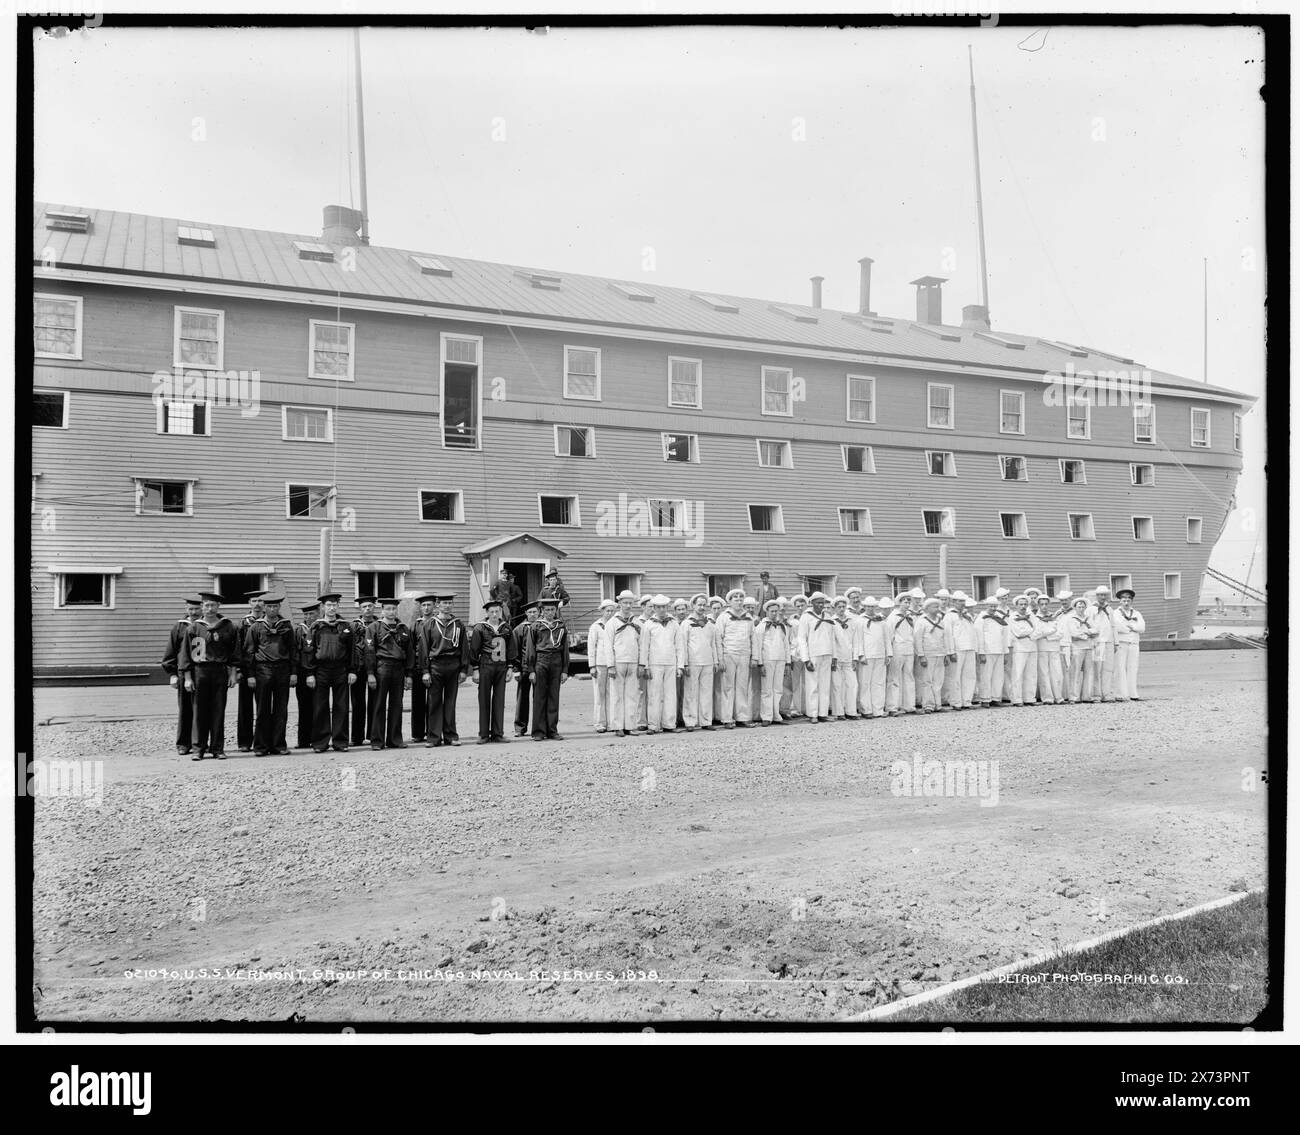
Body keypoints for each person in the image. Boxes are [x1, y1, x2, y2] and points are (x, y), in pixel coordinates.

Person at [178, 591, 241, 760]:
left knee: (218, 711)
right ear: (202, 607)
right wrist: (188, 678)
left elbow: (234, 652)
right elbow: (185, 654)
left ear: (218, 606)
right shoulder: (194, 628)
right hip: (200, 671)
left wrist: (233, 674)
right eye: (207, 605)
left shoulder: (228, 626)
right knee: (199, 711)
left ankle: (217, 749)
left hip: (220, 671)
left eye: (213, 605)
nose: (210, 609)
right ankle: (198, 749)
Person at [303, 593, 358, 752]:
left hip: (341, 669)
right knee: (320, 707)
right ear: (323, 607)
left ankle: (340, 742)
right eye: (328, 605)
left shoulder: (346, 626)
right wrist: (310, 673)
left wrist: (352, 671)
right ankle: (320, 743)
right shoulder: (316, 626)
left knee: (341, 706)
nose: (332, 608)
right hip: (321, 670)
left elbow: (352, 651)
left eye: (334, 605)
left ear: (338, 606)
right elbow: (309, 650)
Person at [244, 591, 296, 755]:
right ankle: (261, 746)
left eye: (275, 606)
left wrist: (293, 673)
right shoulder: (256, 627)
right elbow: (249, 652)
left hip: (282, 670)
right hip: (263, 670)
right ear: (264, 608)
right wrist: (250, 675)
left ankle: (279, 745)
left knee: (281, 709)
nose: (272, 609)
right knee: (262, 710)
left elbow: (293, 651)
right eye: (269, 606)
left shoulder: (286, 626)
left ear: (279, 607)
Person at [418, 594, 469, 747]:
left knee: (450, 702)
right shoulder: (430, 624)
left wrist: (463, 669)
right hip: (436, 666)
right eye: (444, 603)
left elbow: (464, 647)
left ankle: (450, 736)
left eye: (449, 603)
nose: (447, 606)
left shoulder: (458, 624)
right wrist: (425, 671)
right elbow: (424, 648)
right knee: (434, 702)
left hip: (453, 666)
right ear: (438, 605)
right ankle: (433, 737)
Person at [366, 597, 414, 750]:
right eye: (388, 609)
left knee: (396, 705)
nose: (391, 612)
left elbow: (410, 653)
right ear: (382, 611)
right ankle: (377, 741)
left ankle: (395, 739)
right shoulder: (374, 627)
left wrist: (409, 675)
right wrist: (370, 673)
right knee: (378, 704)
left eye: (393, 609)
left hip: (398, 669)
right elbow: (369, 651)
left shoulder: (403, 628)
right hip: (382, 668)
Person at [470, 598, 518, 742]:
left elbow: (511, 649)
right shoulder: (480, 628)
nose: (495, 614)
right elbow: (474, 650)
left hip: (501, 666)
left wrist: (510, 667)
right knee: (484, 699)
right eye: (492, 612)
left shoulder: (506, 628)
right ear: (487, 613)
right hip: (486, 665)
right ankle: (484, 734)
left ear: (500, 612)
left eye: (497, 611)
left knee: (499, 700)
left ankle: (498, 733)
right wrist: (475, 669)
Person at [161, 595, 202, 755]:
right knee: (185, 709)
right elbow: (171, 652)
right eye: (191, 609)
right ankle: (184, 744)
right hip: (184, 672)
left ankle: (200, 743)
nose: (194, 612)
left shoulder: (206, 625)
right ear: (186, 609)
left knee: (202, 708)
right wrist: (172, 674)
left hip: (203, 671)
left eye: (197, 609)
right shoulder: (179, 627)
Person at [527, 597, 570, 740]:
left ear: (556, 610)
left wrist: (565, 670)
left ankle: (552, 730)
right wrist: (531, 670)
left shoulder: (561, 626)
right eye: (547, 610)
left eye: (552, 609)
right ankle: (538, 731)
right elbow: (530, 648)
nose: (550, 612)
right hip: (541, 661)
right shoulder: (536, 626)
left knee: (553, 697)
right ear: (542, 611)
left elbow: (565, 649)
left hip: (556, 661)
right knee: (539, 697)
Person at [639, 595, 680, 733]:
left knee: (670, 695)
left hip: (670, 663)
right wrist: (645, 666)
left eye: (664, 607)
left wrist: (680, 665)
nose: (662, 609)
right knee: (654, 695)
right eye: (659, 607)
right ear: (654, 608)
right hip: (654, 664)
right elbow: (644, 646)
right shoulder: (648, 624)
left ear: (667, 607)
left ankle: (669, 724)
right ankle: (653, 725)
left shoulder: (674, 623)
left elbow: (679, 645)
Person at [715, 589, 756, 727]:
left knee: (742, 687)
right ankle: (727, 718)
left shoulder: (748, 617)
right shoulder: (724, 617)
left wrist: (754, 657)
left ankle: (742, 717)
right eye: (735, 599)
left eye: (740, 599)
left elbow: (753, 638)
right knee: (728, 687)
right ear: (730, 601)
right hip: (729, 654)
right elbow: (718, 639)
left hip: (744, 654)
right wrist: (720, 659)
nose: (738, 602)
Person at [678, 595, 720, 731]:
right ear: (693, 606)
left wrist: (715, 661)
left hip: (707, 662)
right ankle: (690, 721)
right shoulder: (686, 623)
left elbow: (713, 644)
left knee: (706, 692)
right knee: (690, 693)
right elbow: (682, 645)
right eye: (699, 605)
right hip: (693, 662)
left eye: (704, 605)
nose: (702, 607)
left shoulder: (710, 625)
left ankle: (706, 720)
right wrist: (684, 664)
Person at [604, 591, 642, 738]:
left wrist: (641, 664)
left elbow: (642, 644)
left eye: (630, 603)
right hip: (618, 662)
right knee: (617, 695)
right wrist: (610, 665)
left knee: (632, 695)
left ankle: (630, 726)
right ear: (619, 603)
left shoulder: (637, 622)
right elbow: (608, 646)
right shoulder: (612, 623)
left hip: (633, 662)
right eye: (625, 603)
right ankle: (618, 726)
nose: (627, 606)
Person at [797, 592, 838, 723]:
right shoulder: (806, 617)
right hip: (813, 655)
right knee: (812, 685)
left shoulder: (828, 617)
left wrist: (834, 657)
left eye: (822, 603)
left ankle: (823, 713)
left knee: (825, 686)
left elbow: (832, 638)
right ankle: (813, 714)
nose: (821, 605)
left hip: (827, 653)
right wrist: (806, 659)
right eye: (818, 603)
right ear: (812, 603)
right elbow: (801, 639)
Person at [751, 598, 790, 725]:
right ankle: (766, 716)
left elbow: (786, 645)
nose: (774, 613)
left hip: (780, 659)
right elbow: (758, 645)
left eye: (776, 611)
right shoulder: (761, 627)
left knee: (778, 688)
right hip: (767, 659)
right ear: (767, 612)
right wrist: (760, 663)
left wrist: (788, 662)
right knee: (767, 689)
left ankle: (776, 715)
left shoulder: (782, 626)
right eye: (772, 611)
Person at [236, 591, 266, 750]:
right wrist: (239, 670)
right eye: (254, 600)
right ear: (249, 603)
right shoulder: (243, 623)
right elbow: (238, 648)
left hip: (264, 670)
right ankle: (244, 742)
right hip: (247, 670)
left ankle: (262, 741)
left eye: (260, 600)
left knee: (263, 707)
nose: (257, 604)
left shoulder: (270, 621)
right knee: (245, 707)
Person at [915, 596, 954, 713]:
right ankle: (928, 705)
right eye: (934, 607)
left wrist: (946, 654)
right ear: (927, 608)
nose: (937, 609)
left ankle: (938, 704)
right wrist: (921, 655)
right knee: (927, 680)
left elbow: (945, 638)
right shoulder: (921, 621)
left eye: (938, 607)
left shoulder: (941, 621)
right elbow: (917, 639)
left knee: (938, 680)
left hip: (940, 654)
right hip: (928, 654)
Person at [349, 596, 379, 744]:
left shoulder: (379, 624)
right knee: (357, 703)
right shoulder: (353, 625)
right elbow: (350, 648)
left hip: (376, 667)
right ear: (360, 609)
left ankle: (374, 735)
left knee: (375, 702)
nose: (367, 609)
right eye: (364, 607)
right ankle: (357, 737)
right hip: (359, 667)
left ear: (374, 607)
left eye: (370, 606)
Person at [858, 597, 893, 719]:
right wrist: (861, 654)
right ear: (864, 607)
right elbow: (858, 639)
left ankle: (878, 709)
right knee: (865, 683)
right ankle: (866, 709)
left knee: (879, 683)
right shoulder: (860, 621)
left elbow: (886, 638)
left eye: (872, 606)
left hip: (880, 655)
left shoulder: (881, 621)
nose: (870, 608)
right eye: (868, 606)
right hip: (867, 656)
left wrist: (888, 654)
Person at [945, 592, 979, 710]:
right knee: (955, 676)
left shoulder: (967, 616)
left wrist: (975, 649)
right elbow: (948, 635)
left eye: (963, 601)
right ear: (953, 602)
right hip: (957, 649)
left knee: (969, 676)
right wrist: (951, 651)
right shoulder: (949, 616)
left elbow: (973, 633)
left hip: (969, 648)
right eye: (959, 601)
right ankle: (956, 701)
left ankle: (967, 700)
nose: (962, 603)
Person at [885, 593, 917, 716]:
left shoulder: (910, 617)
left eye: (909, 602)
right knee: (894, 678)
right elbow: (889, 636)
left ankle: (909, 705)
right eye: (905, 602)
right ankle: (892, 707)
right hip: (897, 648)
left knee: (909, 677)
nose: (907, 604)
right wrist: (889, 652)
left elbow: (913, 633)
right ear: (899, 603)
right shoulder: (893, 617)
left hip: (909, 649)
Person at [1111, 588, 1146, 700]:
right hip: (1122, 643)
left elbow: (1142, 628)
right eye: (1124, 600)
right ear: (1120, 601)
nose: (1126, 603)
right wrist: (1130, 628)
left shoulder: (1136, 613)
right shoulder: (1116, 613)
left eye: (1128, 600)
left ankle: (1133, 693)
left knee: (1133, 668)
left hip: (1134, 643)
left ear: (1132, 601)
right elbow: (1118, 627)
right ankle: (1120, 693)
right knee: (1120, 668)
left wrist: (1133, 627)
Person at [587, 599, 616, 733]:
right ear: (602, 611)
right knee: (599, 694)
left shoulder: (616, 625)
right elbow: (591, 647)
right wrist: (592, 665)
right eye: (607, 611)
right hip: (600, 663)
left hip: (613, 664)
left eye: (612, 611)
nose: (610, 613)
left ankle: (611, 723)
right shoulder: (596, 626)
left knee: (611, 694)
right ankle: (599, 723)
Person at [975, 596, 1010, 708]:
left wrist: (1005, 652)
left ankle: (996, 697)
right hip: (987, 651)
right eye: (991, 606)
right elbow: (979, 636)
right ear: (986, 606)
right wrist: (981, 652)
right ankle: (985, 698)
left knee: (998, 676)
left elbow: (1004, 636)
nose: (993, 608)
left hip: (999, 650)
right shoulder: (981, 618)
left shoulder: (999, 618)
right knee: (986, 675)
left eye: (995, 606)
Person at [409, 595, 435, 743]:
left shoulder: (437, 623)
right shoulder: (415, 625)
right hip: (418, 667)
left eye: (429, 605)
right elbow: (411, 648)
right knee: (418, 701)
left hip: (434, 666)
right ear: (420, 607)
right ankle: (418, 733)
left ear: (434, 606)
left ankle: (433, 731)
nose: (426, 608)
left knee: (433, 701)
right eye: (424, 605)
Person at [293, 601, 319, 749]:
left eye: (311, 614)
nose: (309, 617)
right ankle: (303, 740)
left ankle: (317, 739)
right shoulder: (298, 630)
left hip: (319, 672)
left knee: (318, 706)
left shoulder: (321, 627)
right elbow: (295, 652)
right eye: (306, 614)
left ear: (318, 613)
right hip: (302, 672)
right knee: (303, 706)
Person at [1061, 596, 1097, 703]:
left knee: (1089, 671)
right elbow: (1074, 633)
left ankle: (1087, 696)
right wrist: (1087, 634)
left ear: (1085, 608)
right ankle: (1074, 696)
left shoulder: (1088, 618)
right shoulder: (1071, 619)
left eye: (1083, 607)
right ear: (1075, 608)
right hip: (1077, 647)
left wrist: (1086, 633)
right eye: (1079, 607)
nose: (1081, 609)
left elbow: (1096, 630)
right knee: (1075, 671)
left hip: (1089, 647)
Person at [512, 602, 540, 735]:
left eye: (535, 612)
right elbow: (515, 651)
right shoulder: (519, 629)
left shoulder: (542, 627)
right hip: (524, 668)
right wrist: (516, 669)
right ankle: (520, 727)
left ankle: (538, 727)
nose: (533, 614)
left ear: (539, 612)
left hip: (539, 667)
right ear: (526, 614)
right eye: (530, 612)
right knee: (522, 698)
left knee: (539, 698)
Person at [829, 596, 858, 720]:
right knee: (837, 685)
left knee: (852, 684)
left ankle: (851, 711)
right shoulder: (831, 622)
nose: (841, 609)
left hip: (849, 657)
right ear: (834, 608)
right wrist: (833, 657)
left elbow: (856, 639)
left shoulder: (851, 621)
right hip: (837, 658)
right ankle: (839, 712)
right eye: (839, 607)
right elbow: (831, 641)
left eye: (843, 606)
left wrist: (855, 657)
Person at [1008, 595, 1040, 706]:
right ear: (1016, 605)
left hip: (1032, 647)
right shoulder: (1013, 617)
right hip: (1020, 648)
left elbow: (1039, 629)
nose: (1023, 606)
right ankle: (1017, 699)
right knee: (1018, 674)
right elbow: (1018, 632)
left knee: (1031, 674)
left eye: (1025, 604)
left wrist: (1030, 633)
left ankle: (1029, 698)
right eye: (1021, 604)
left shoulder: (1031, 616)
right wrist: (1032, 631)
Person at [1092, 585, 1118, 702]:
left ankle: (1106, 693)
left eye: (1105, 595)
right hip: (1098, 642)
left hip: (1109, 641)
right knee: (1097, 669)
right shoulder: (1091, 609)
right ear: (1097, 596)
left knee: (1108, 669)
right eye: (1101, 595)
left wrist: (1116, 642)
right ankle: (1096, 694)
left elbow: (1113, 626)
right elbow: (1089, 625)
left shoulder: (1110, 609)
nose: (1103, 597)